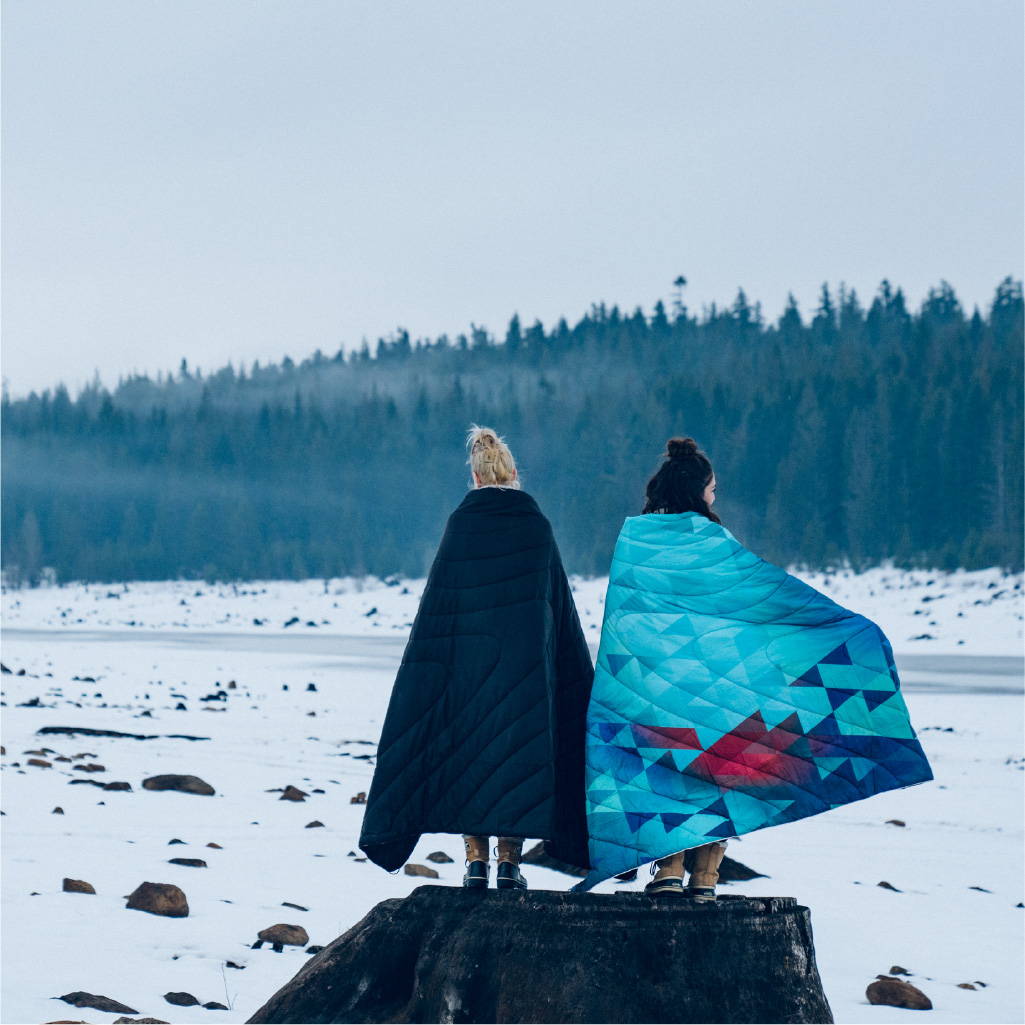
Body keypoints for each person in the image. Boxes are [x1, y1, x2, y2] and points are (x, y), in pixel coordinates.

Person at [574, 436, 933, 898]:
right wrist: (848, 631)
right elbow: (766, 600)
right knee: (722, 773)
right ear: (694, 490)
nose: (714, 497)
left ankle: (666, 874)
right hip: (716, 685)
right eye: (712, 489)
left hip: (653, 687)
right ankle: (705, 879)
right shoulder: (711, 540)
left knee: (662, 773)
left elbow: (626, 620)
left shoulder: (635, 540)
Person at [358, 425, 594, 891]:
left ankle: (474, 864)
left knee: (470, 759)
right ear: (513, 473)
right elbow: (558, 613)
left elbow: (438, 612)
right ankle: (509, 864)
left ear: (476, 475)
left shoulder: (461, 525)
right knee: (516, 763)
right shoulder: (536, 527)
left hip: (465, 675)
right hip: (526, 681)